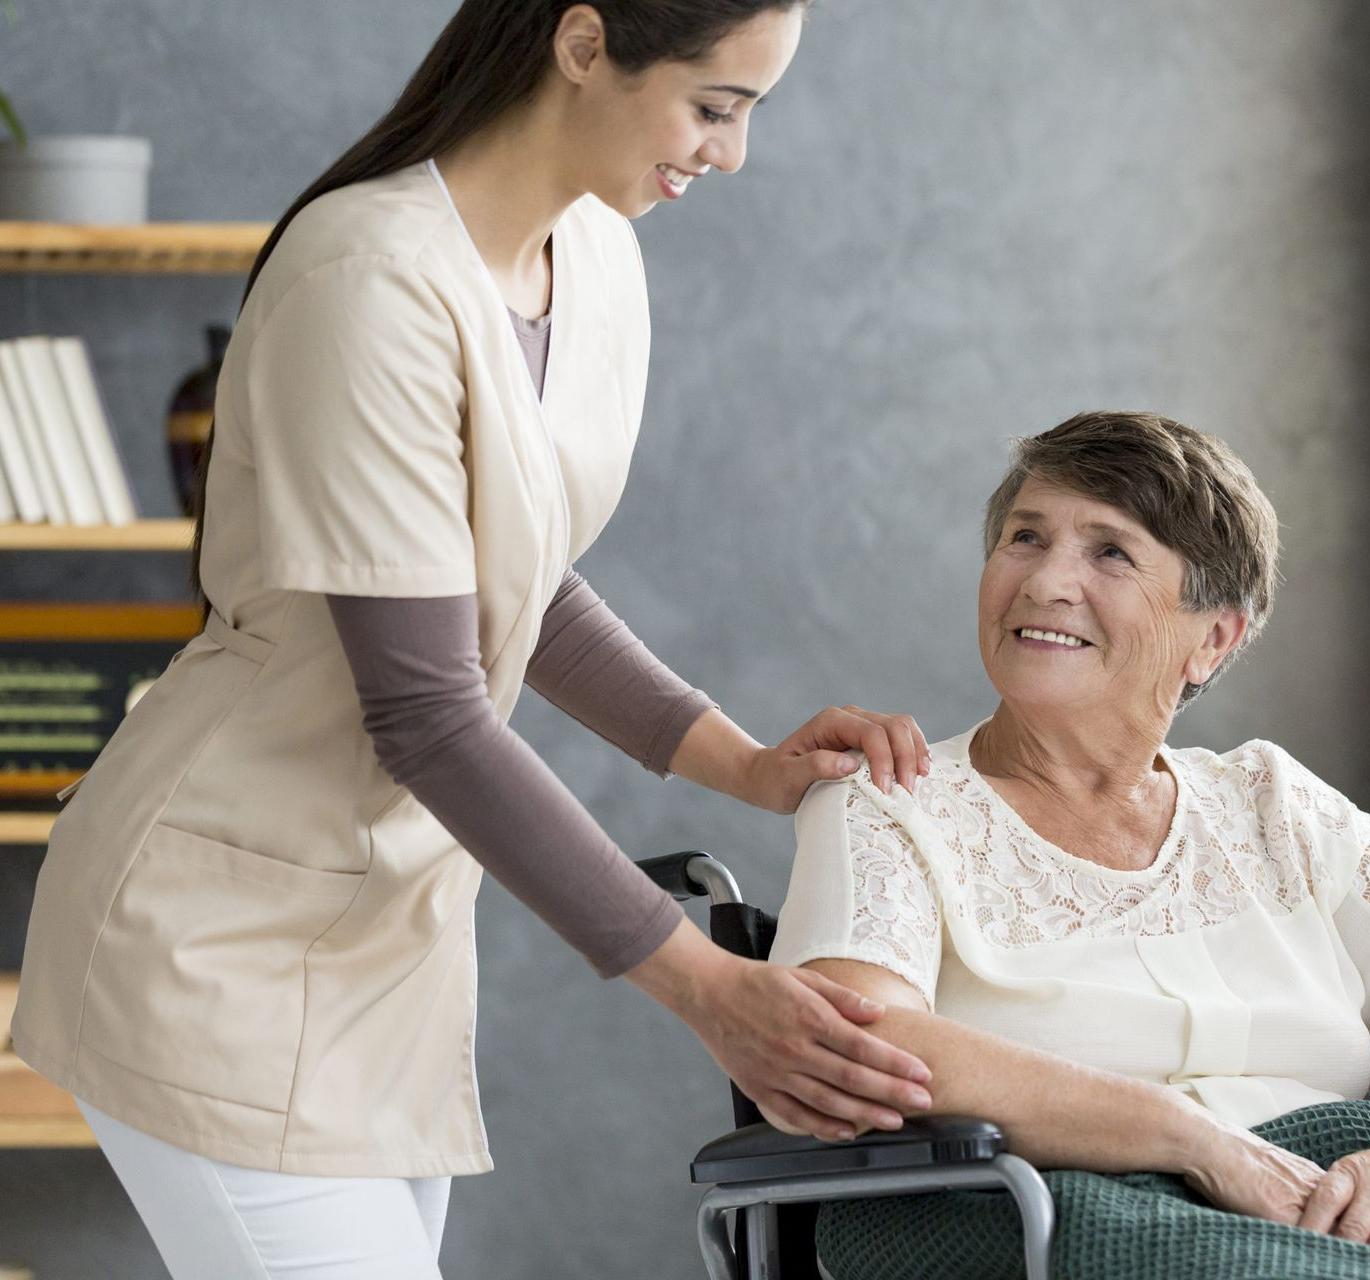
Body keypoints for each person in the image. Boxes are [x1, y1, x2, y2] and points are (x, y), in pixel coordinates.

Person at [9, 4, 939, 1276]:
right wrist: (713, 994)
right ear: (580, 43)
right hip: (213, 936)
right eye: (712, 108)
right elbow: (431, 710)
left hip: (388, 946)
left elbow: (519, 570)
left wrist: (743, 761)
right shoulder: (368, 278)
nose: (728, 155)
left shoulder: (598, 252)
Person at [770, 410, 1370, 1278]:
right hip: (1054, 1206)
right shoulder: (890, 799)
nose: (1046, 581)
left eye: (1111, 552)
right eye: (1026, 537)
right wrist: (1191, 1139)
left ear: (1212, 638)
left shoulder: (1272, 805)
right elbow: (853, 1038)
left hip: (1329, 1193)